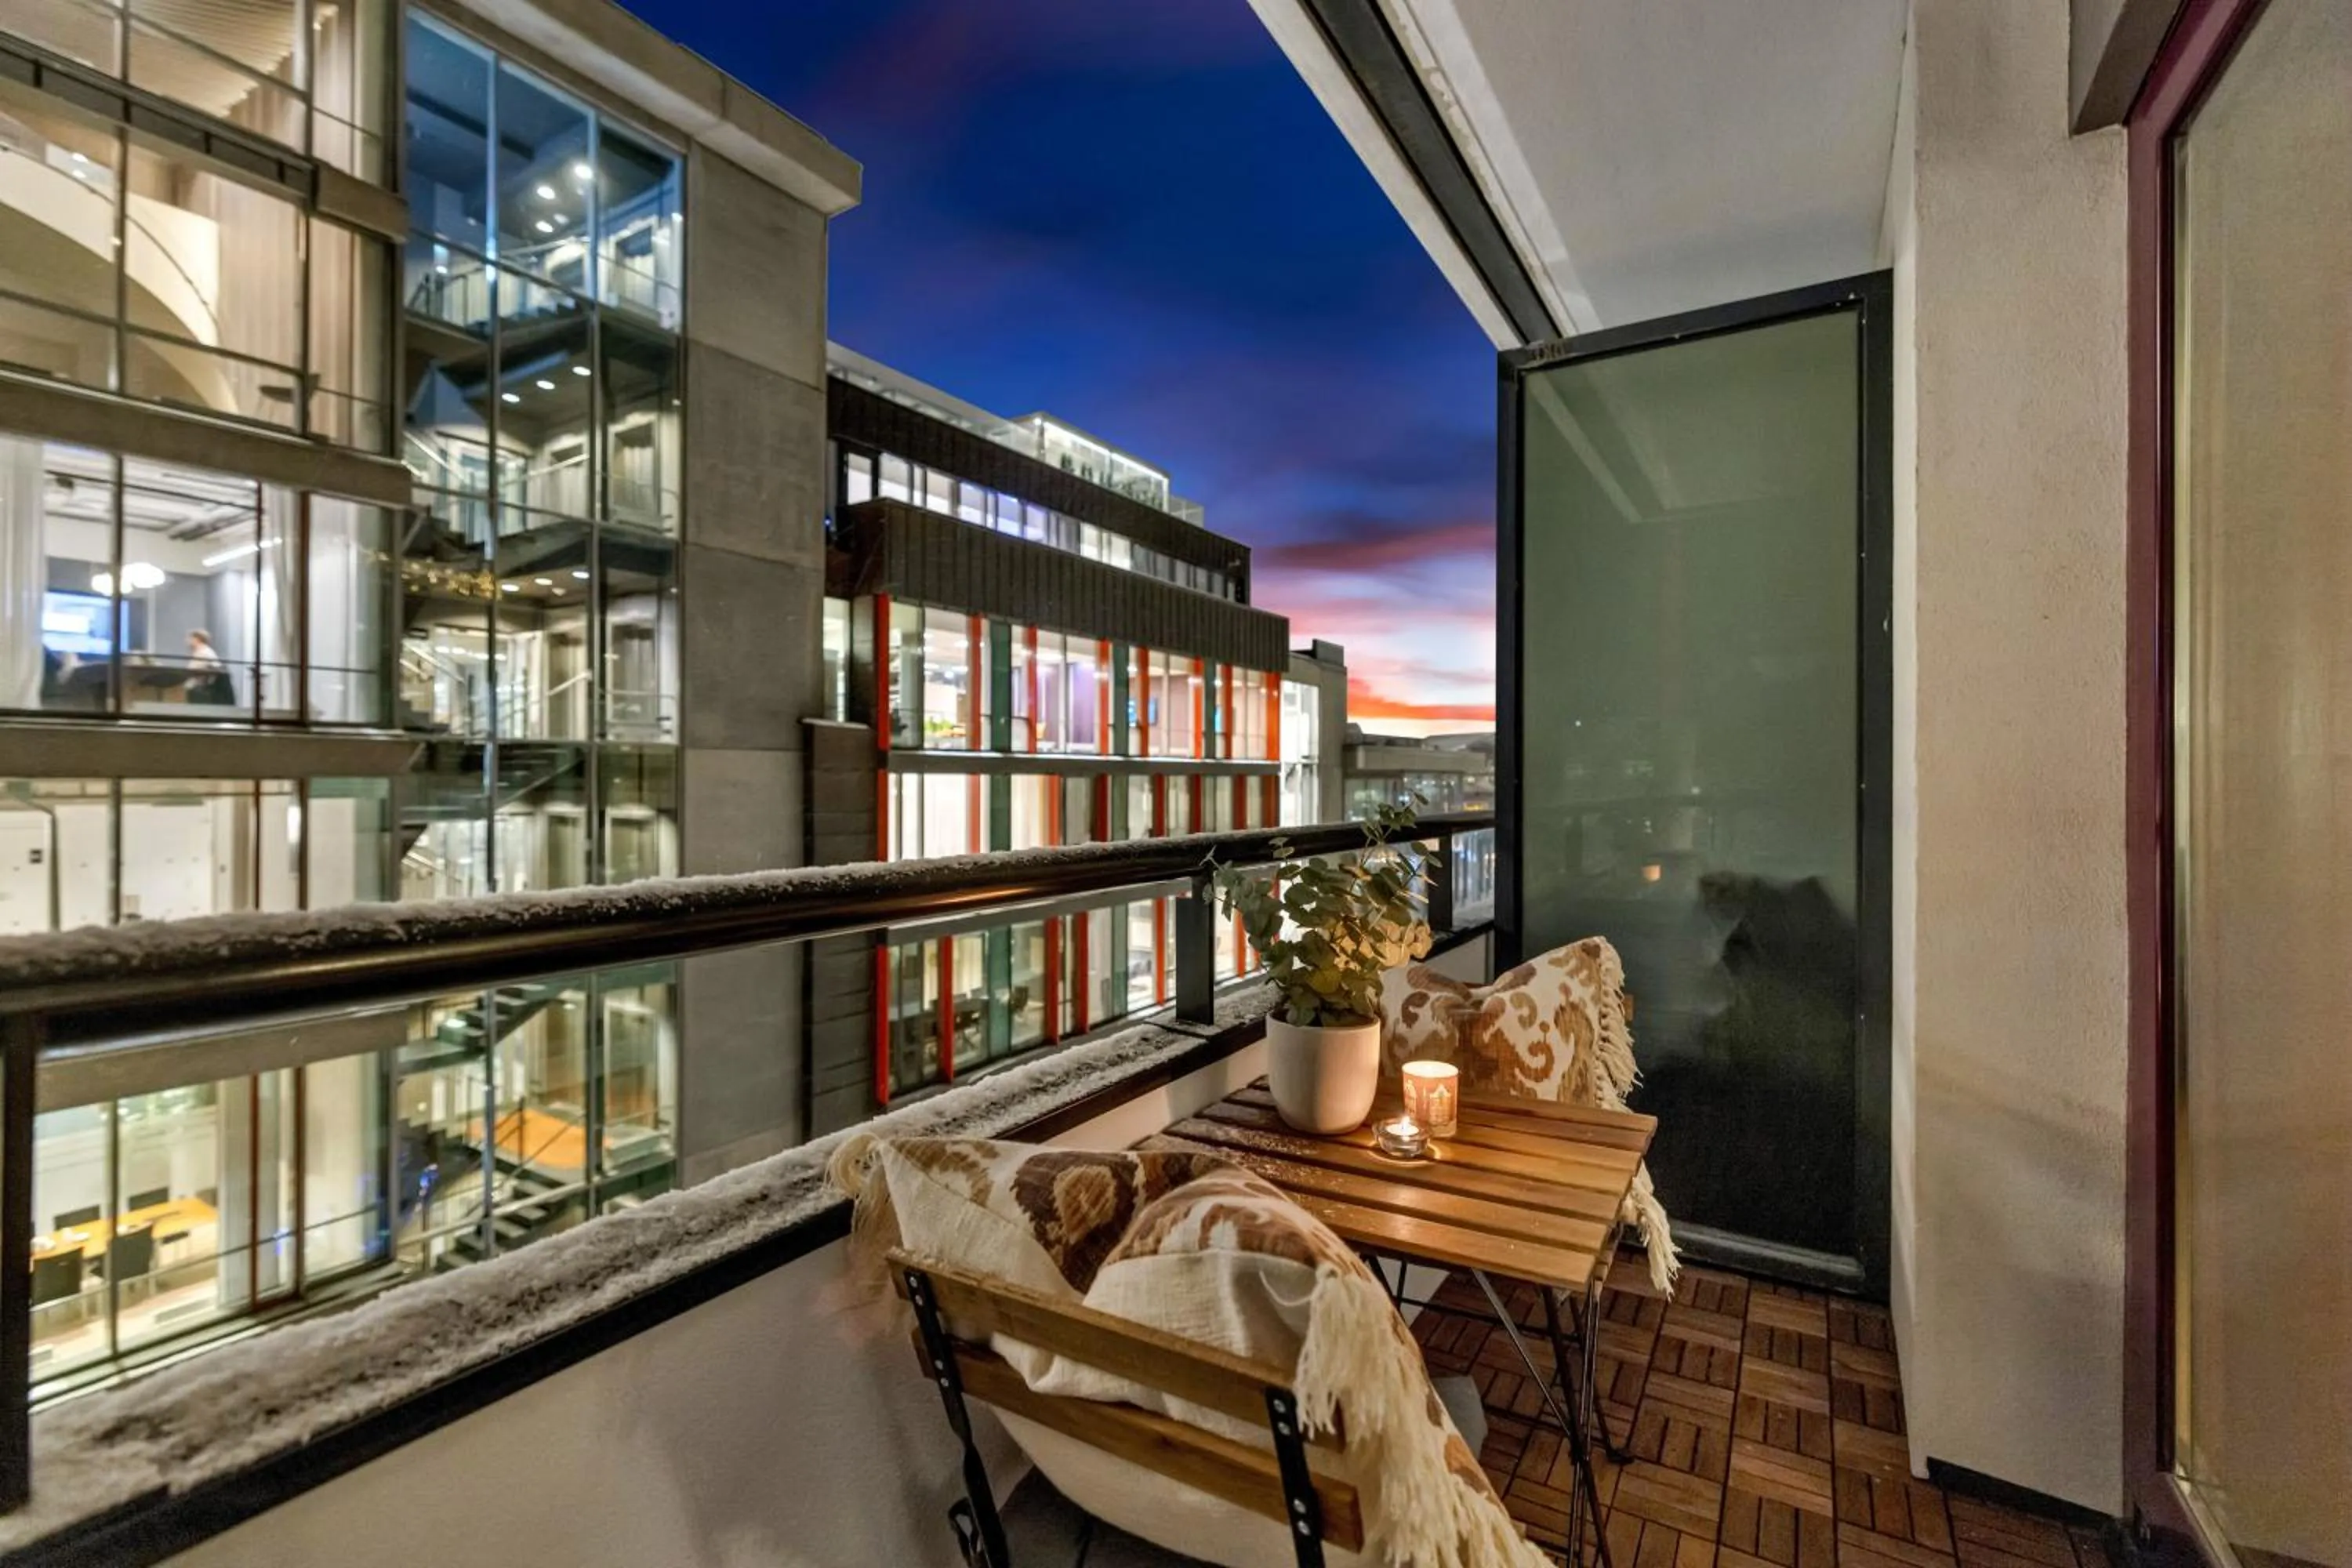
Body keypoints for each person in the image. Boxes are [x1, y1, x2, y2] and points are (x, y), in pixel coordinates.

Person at [185, 629, 234, 705]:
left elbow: (193, 670)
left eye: (190, 639)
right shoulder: (204, 651)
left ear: (197, 639)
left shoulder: (203, 652)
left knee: (184, 688)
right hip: (205, 684)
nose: (188, 641)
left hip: (204, 687)